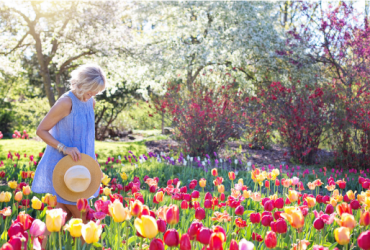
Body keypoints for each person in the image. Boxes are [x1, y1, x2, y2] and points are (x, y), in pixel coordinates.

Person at [31, 64, 106, 245]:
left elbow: (86, 138)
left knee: (58, 217)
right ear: (81, 85)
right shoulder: (66, 102)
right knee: (85, 221)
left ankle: (37, 245)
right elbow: (41, 131)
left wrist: (92, 164)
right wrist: (65, 148)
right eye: (91, 91)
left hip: (81, 168)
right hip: (64, 168)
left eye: (96, 92)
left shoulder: (90, 102)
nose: (93, 95)